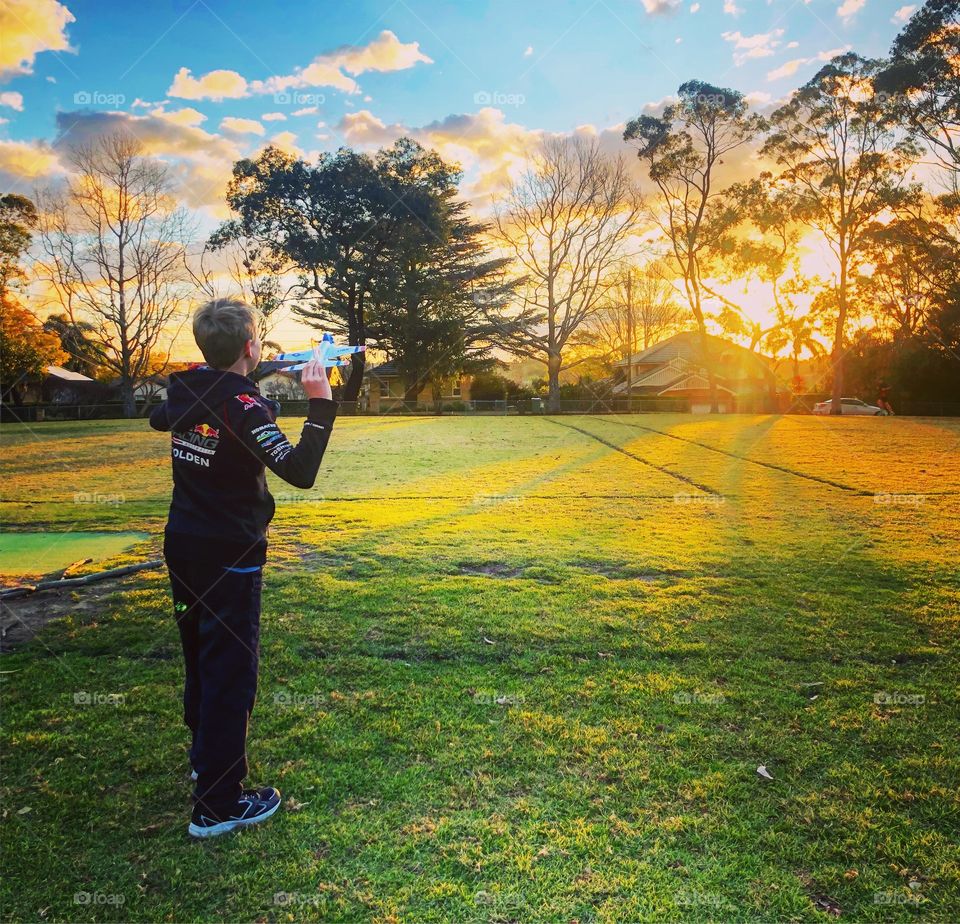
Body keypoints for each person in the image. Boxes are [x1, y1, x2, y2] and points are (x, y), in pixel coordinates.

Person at [149, 298, 337, 838]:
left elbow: (163, 413)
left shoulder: (187, 389)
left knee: (200, 657)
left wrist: (241, 380)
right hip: (228, 554)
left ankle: (204, 760)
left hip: (183, 546)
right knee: (230, 671)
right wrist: (319, 404)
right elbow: (299, 471)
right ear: (251, 347)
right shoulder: (245, 406)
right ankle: (217, 803)